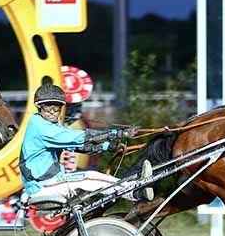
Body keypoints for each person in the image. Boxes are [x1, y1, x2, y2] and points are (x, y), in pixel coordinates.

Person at [19, 83, 153, 202]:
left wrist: (108, 146)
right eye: (48, 107)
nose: (53, 112)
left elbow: (79, 146)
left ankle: (132, 187)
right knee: (90, 177)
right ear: (39, 107)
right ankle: (134, 191)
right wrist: (117, 134)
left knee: (92, 176)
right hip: (42, 186)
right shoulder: (39, 125)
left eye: (57, 107)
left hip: (49, 181)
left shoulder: (50, 125)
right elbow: (82, 137)